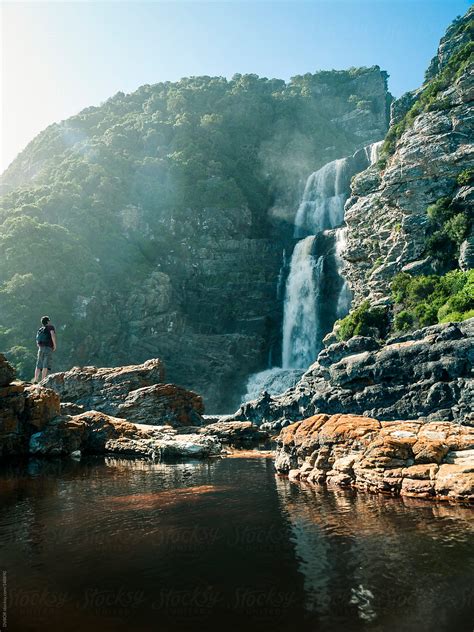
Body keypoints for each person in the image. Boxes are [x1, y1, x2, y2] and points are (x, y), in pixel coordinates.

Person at [33, 316, 57, 382]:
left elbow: (37, 339)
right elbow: (52, 335)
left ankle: (35, 380)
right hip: (48, 347)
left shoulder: (40, 329)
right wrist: (54, 345)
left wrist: (39, 346)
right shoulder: (50, 327)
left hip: (40, 348)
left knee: (38, 364)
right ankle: (42, 381)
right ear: (48, 321)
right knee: (45, 364)